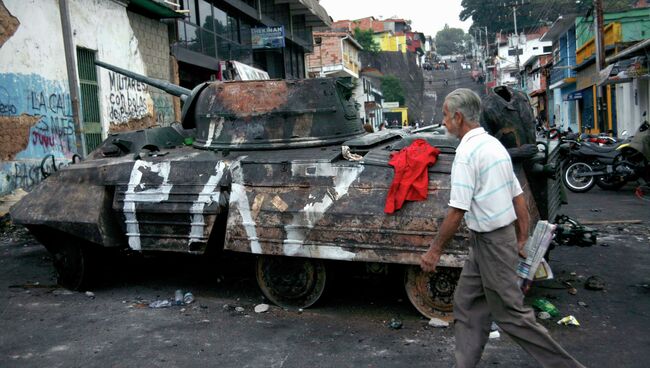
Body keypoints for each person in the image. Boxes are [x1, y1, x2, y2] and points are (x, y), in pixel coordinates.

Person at [420, 88, 585, 368]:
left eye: (446, 116)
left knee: (511, 315)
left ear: (459, 117)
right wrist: (521, 236)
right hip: (489, 240)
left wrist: (435, 251)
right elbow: (517, 195)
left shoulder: (467, 153)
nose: (444, 121)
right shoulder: (494, 146)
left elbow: (457, 210)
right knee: (467, 303)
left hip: (493, 243)